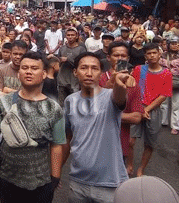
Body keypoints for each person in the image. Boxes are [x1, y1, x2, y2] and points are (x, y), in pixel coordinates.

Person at [0, 51, 65, 203]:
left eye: (34, 68)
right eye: (24, 68)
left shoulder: (54, 108)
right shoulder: (4, 102)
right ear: (19, 74)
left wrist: (55, 177)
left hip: (41, 181)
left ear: (44, 74)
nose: (29, 71)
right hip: (7, 178)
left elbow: (57, 146)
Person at [62, 52, 131, 202]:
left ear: (101, 73)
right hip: (77, 182)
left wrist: (119, 83)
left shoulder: (110, 96)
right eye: (84, 68)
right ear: (75, 72)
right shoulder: (70, 101)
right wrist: (56, 172)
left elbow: (119, 97)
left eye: (94, 68)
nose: (89, 73)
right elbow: (67, 138)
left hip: (109, 185)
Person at [99, 41, 144, 176]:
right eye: (116, 55)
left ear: (128, 58)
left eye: (123, 56)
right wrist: (111, 82)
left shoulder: (133, 84)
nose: (120, 58)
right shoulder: (98, 79)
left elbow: (137, 117)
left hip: (120, 144)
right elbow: (92, 107)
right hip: (96, 142)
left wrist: (109, 115)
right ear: (108, 57)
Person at [130, 43, 172, 177]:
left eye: (154, 53)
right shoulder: (139, 69)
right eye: (149, 53)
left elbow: (163, 95)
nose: (152, 56)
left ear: (160, 54)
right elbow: (133, 88)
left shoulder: (166, 73)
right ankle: (129, 164)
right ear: (145, 56)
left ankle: (141, 168)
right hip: (136, 107)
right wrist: (139, 108)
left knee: (150, 143)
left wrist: (146, 109)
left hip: (153, 110)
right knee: (130, 140)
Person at [160, 36, 179, 134]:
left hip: (178, 82)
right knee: (163, 103)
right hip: (164, 81)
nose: (174, 46)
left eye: (176, 43)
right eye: (172, 44)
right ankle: (163, 121)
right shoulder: (163, 55)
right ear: (168, 45)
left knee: (177, 105)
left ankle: (175, 126)